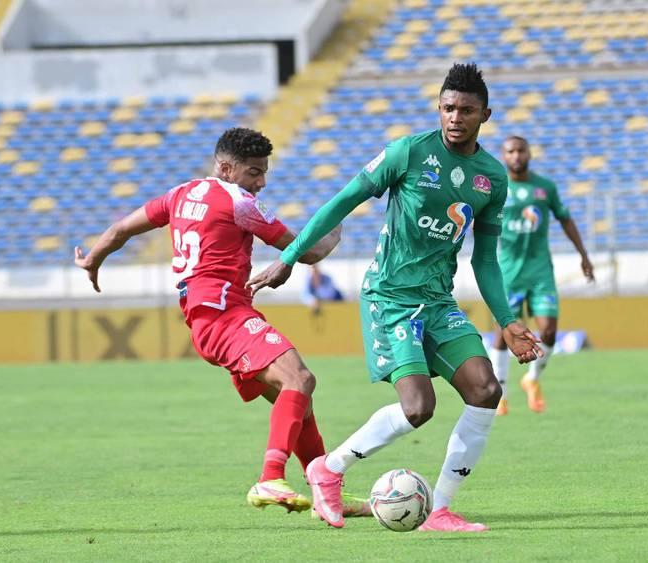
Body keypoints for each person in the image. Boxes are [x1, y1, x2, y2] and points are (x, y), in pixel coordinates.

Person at [247, 63, 542, 532]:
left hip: (438, 301)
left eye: (466, 110)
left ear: (485, 114)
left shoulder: (492, 177)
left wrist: (505, 319)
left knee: (486, 390)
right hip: (390, 297)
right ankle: (329, 468)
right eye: (447, 107)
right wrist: (292, 256)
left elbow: (485, 259)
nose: (454, 117)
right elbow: (343, 200)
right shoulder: (408, 152)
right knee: (418, 408)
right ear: (439, 109)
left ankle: (439, 510)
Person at [73, 127, 368, 517]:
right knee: (300, 379)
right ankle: (270, 476)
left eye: (264, 172)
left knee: (295, 401)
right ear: (226, 168)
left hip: (205, 318)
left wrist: (93, 258)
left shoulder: (179, 195)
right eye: (253, 172)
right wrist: (337, 224)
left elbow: (120, 230)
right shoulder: (239, 202)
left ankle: (327, 492)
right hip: (225, 313)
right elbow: (310, 251)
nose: (261, 182)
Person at [489, 136, 594, 416]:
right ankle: (500, 391)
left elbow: (565, 219)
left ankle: (532, 379)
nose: (516, 156)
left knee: (548, 330)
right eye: (510, 151)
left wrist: (583, 255)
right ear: (504, 156)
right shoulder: (497, 187)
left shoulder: (544, 187)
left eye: (521, 150)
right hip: (508, 272)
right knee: (504, 334)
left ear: (529, 153)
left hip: (539, 272)